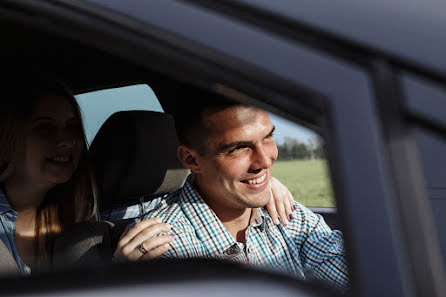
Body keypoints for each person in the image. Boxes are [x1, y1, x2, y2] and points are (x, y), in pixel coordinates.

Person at [139, 102, 349, 290]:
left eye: (268, 137)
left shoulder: (286, 214)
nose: (264, 161)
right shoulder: (161, 245)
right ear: (192, 160)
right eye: (239, 148)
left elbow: (355, 274)